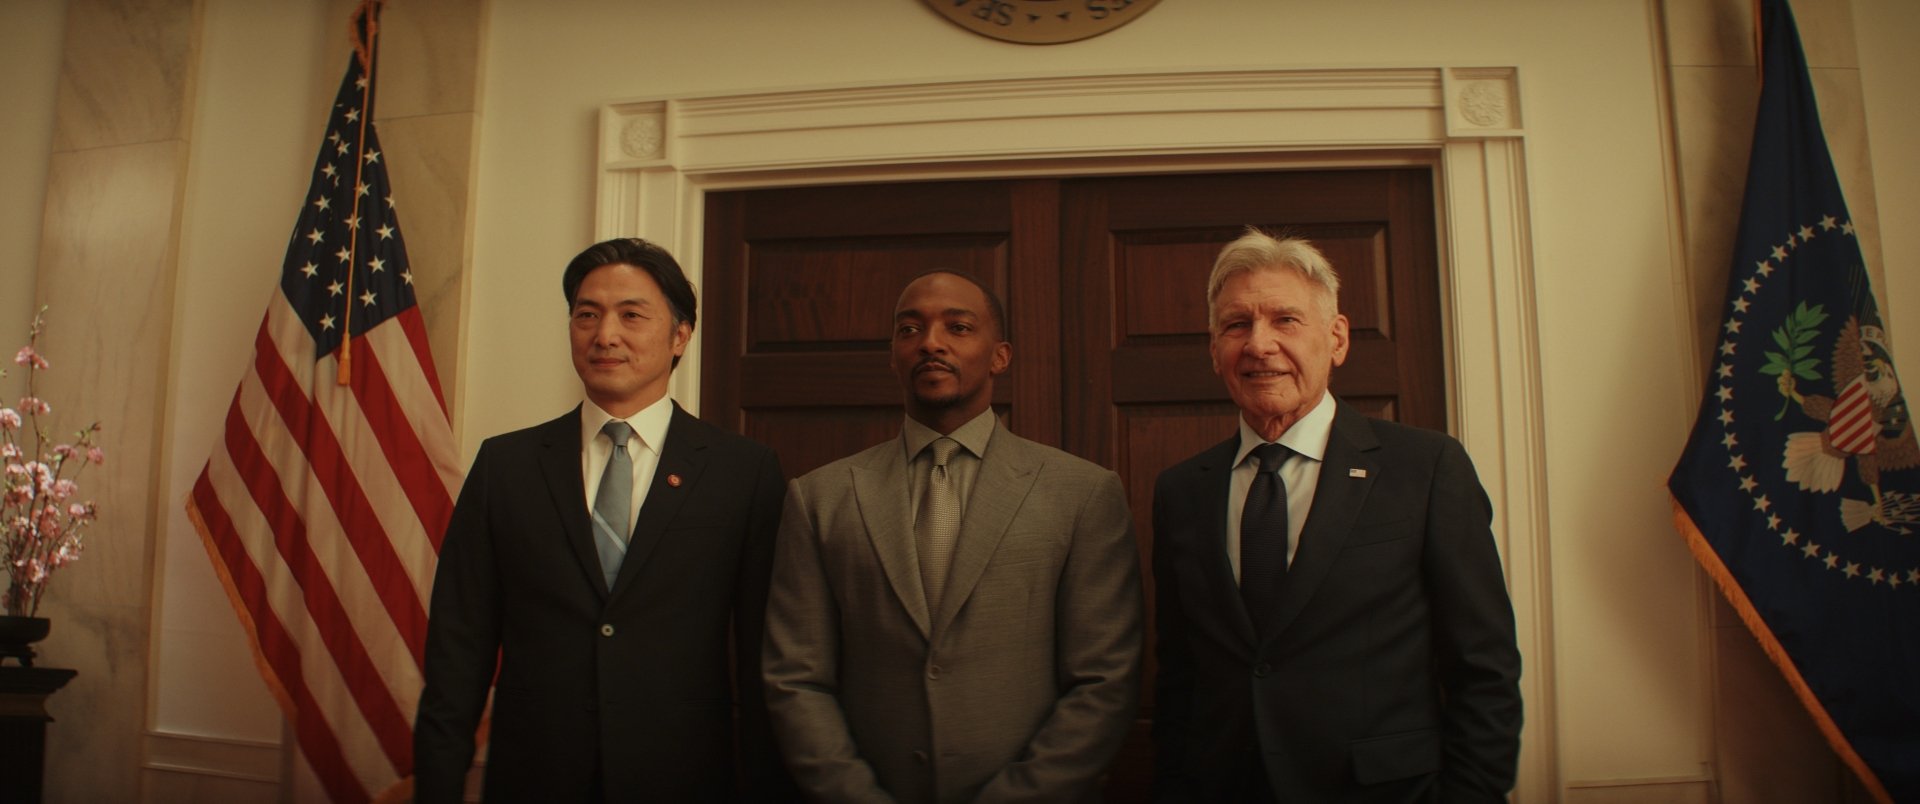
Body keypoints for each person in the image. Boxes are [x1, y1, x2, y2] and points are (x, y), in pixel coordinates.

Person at [1151, 230, 1522, 802]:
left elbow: (1484, 665)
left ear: (1338, 338)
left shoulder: (1424, 467)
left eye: (1285, 320)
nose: (1259, 344)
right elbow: (1180, 672)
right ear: (1213, 349)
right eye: (1236, 325)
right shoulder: (1181, 491)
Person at [414, 238, 787, 802]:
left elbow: (767, 653)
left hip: (684, 775)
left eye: (631, 315)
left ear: (681, 334)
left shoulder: (744, 472)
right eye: (586, 315)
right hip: (534, 775)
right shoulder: (505, 466)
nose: (604, 334)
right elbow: (457, 649)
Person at [764, 270, 1143, 803]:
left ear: (1000, 356)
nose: (931, 343)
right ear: (893, 355)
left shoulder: (1082, 493)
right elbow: (796, 678)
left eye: (958, 327)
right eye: (909, 330)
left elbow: (1104, 679)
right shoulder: (820, 498)